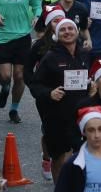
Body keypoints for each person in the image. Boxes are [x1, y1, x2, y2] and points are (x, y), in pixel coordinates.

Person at [31, 18, 91, 182]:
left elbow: (93, 77)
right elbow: (36, 84)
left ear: (77, 32)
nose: (67, 32)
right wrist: (49, 93)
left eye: (70, 29)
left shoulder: (85, 54)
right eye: (62, 30)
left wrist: (93, 86)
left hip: (81, 115)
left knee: (82, 155)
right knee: (58, 157)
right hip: (57, 115)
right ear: (57, 35)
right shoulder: (51, 57)